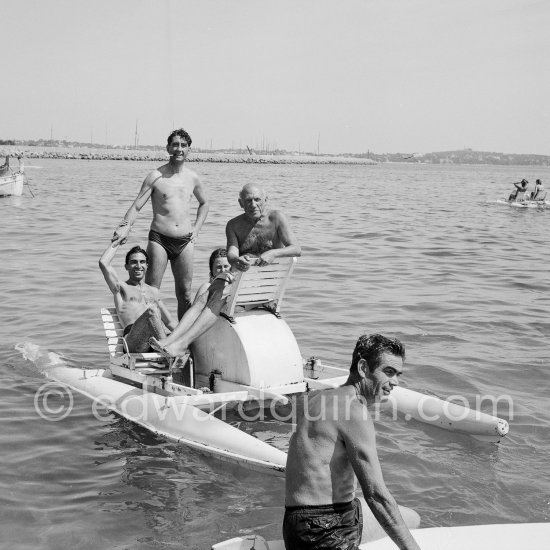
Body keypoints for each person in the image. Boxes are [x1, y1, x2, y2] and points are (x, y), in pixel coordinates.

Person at [284, 334, 420, 550]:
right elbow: (376, 495)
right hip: (319, 529)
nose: (395, 382)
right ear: (364, 368)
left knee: (412, 518)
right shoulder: (355, 412)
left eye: (398, 374)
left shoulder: (319, 398)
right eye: (389, 372)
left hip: (311, 519)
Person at [112, 128, 209, 319]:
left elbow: (205, 203)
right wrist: (125, 227)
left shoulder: (193, 178)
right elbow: (137, 206)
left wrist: (196, 230)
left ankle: (183, 340)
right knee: (150, 292)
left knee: (185, 294)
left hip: (186, 241)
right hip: (159, 240)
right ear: (168, 147)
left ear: (189, 149)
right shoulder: (156, 176)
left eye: (183, 145)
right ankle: (149, 335)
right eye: (175, 144)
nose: (179, 149)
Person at [149, 248, 234, 358]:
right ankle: (170, 340)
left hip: (216, 318)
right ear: (211, 271)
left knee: (205, 288)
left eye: (226, 266)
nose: (222, 270)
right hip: (212, 315)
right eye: (218, 267)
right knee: (205, 290)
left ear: (231, 268)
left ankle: (174, 341)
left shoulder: (218, 287)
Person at [99, 240, 176, 353]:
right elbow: (103, 263)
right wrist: (118, 241)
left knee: (190, 334)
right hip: (133, 342)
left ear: (147, 265)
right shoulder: (121, 288)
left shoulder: (153, 291)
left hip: (154, 341)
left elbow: (170, 322)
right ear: (127, 266)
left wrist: (191, 336)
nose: (138, 266)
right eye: (134, 262)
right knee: (151, 312)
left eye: (142, 262)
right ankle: (169, 352)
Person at [226, 183, 301, 272]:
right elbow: (231, 253)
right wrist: (236, 260)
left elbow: (296, 249)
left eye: (257, 200)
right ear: (241, 203)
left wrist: (273, 253)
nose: (253, 205)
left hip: (273, 276)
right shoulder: (233, 225)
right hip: (245, 275)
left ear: (265, 200)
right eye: (248, 200)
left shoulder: (276, 218)